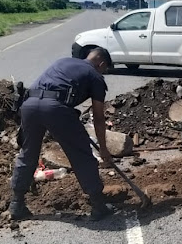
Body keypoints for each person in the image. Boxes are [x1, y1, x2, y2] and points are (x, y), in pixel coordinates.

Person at [8, 48, 115, 221]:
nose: (104, 72)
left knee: (28, 154)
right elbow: (99, 118)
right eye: (105, 69)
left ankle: (16, 204)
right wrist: (103, 149)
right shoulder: (95, 76)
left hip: (29, 105)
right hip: (55, 108)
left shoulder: (63, 61)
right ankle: (98, 204)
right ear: (101, 64)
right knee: (81, 154)